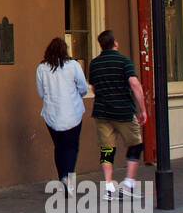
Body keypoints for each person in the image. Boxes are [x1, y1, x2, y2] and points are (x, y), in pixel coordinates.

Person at [87, 29, 148, 200]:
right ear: (115, 43)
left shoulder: (94, 63)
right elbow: (134, 84)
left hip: (102, 111)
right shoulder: (124, 61)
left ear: (101, 45)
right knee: (135, 144)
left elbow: (94, 87)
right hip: (123, 111)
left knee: (107, 149)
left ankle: (108, 187)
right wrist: (142, 109)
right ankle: (128, 183)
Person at [35, 37, 87, 191]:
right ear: (65, 50)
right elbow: (83, 87)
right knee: (72, 147)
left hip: (52, 114)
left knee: (59, 147)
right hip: (73, 113)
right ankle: (68, 179)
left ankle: (62, 176)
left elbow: (40, 92)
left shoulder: (41, 68)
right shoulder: (73, 66)